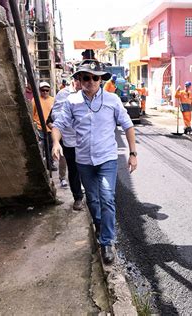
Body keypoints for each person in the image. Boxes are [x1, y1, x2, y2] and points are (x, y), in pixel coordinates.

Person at [51, 61, 138, 264]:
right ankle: (99, 224)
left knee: (107, 198)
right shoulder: (72, 102)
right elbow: (58, 124)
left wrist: (133, 153)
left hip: (107, 158)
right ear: (79, 80)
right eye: (86, 77)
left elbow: (128, 125)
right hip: (84, 161)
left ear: (101, 80)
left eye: (95, 77)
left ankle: (107, 242)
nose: (90, 81)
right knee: (92, 199)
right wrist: (56, 142)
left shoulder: (112, 100)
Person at [47, 77, 84, 210]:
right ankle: (78, 197)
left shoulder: (90, 93)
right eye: (80, 80)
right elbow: (54, 116)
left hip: (87, 140)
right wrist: (68, 115)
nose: (83, 83)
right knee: (74, 170)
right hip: (69, 141)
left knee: (88, 169)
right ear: (74, 80)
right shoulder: (63, 94)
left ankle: (92, 196)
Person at [32, 82, 56, 171]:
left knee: (50, 147)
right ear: (40, 91)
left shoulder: (53, 100)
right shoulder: (35, 100)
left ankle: (50, 164)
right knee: (41, 147)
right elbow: (32, 113)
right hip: (40, 128)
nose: (45, 92)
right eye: (43, 90)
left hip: (50, 128)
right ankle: (42, 165)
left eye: (47, 90)